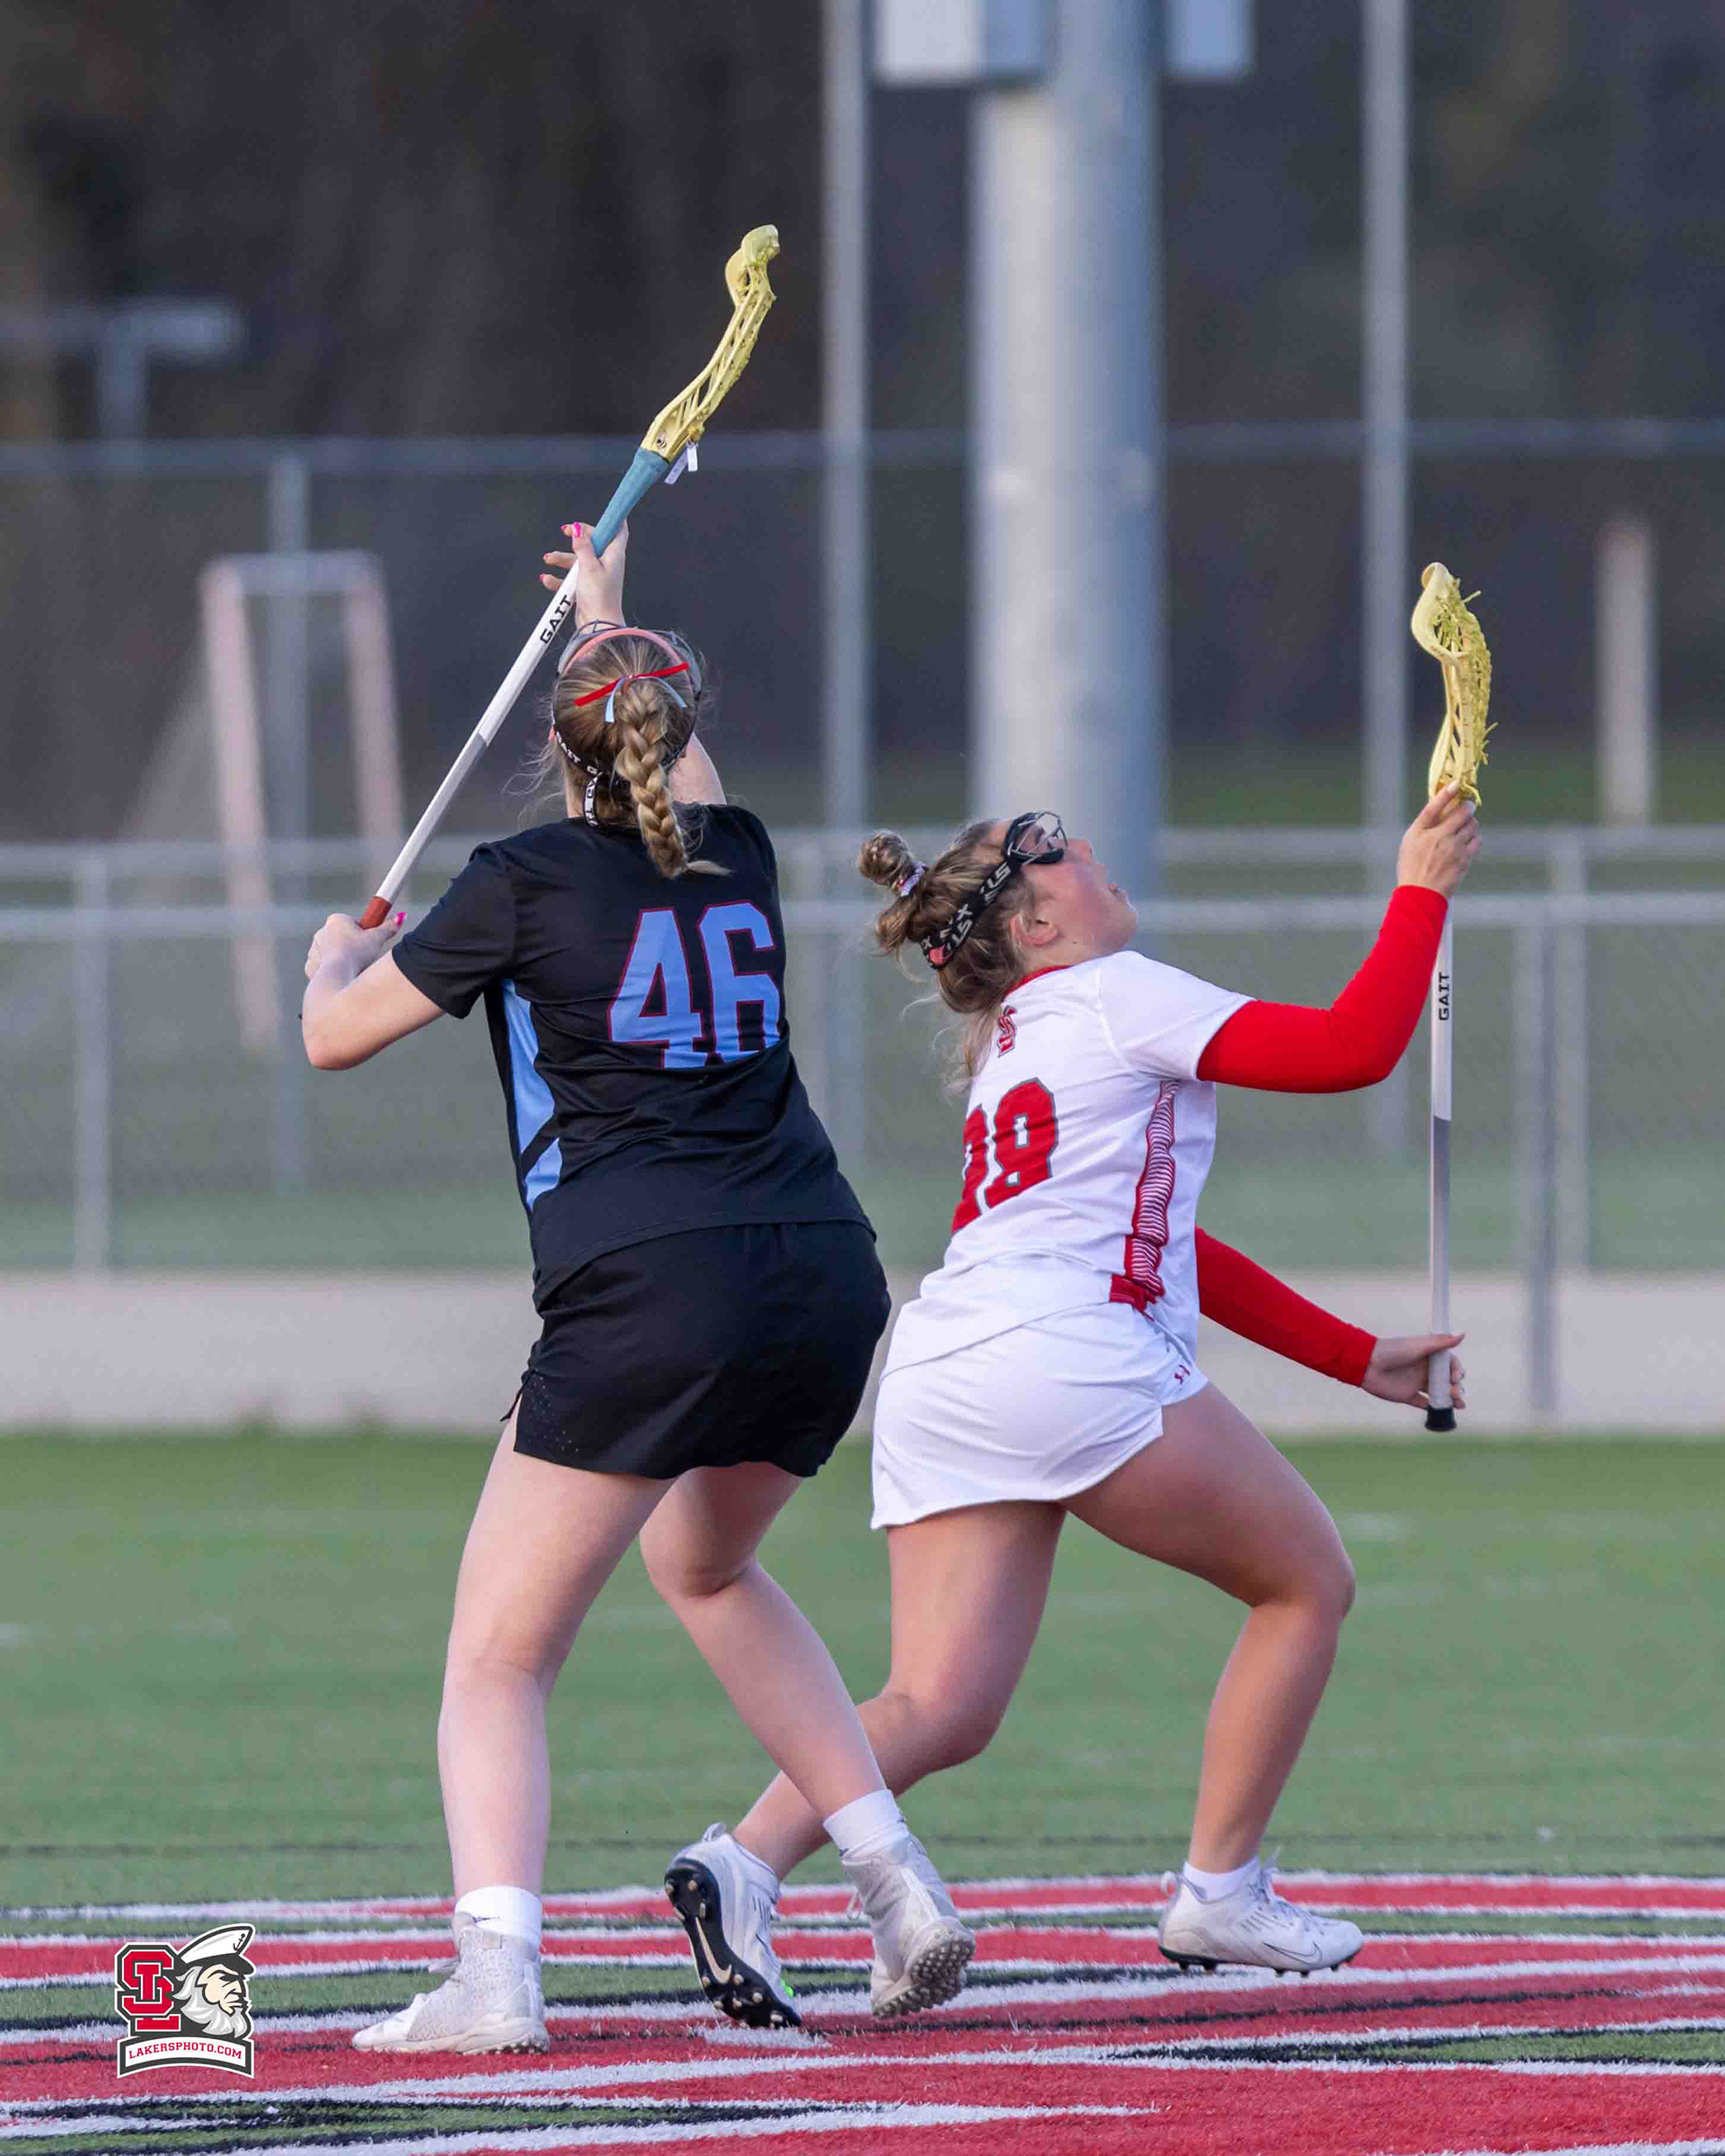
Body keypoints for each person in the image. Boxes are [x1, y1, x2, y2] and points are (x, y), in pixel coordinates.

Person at [297, 520, 972, 2052]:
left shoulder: (519, 879)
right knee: (709, 1569)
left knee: (499, 1655)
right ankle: (893, 1880)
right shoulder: (740, 851)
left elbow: (335, 1043)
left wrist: (328, 961)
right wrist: (609, 618)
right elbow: (683, 776)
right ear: (671, 730)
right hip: (822, 1270)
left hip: (651, 1285)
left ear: (562, 748)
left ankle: (495, 1979)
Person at [668, 787, 1480, 2003]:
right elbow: (1350, 1050)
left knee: (939, 1705)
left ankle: (740, 1865)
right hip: (1063, 1354)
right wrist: (1420, 889)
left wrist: (1351, 1355)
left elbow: (1166, 1242)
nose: (1088, 850)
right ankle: (1220, 1890)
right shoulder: (1118, 991)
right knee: (1307, 1582)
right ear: (1035, 926)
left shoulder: (1020, 1037)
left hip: (945, 1362)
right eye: (1055, 852)